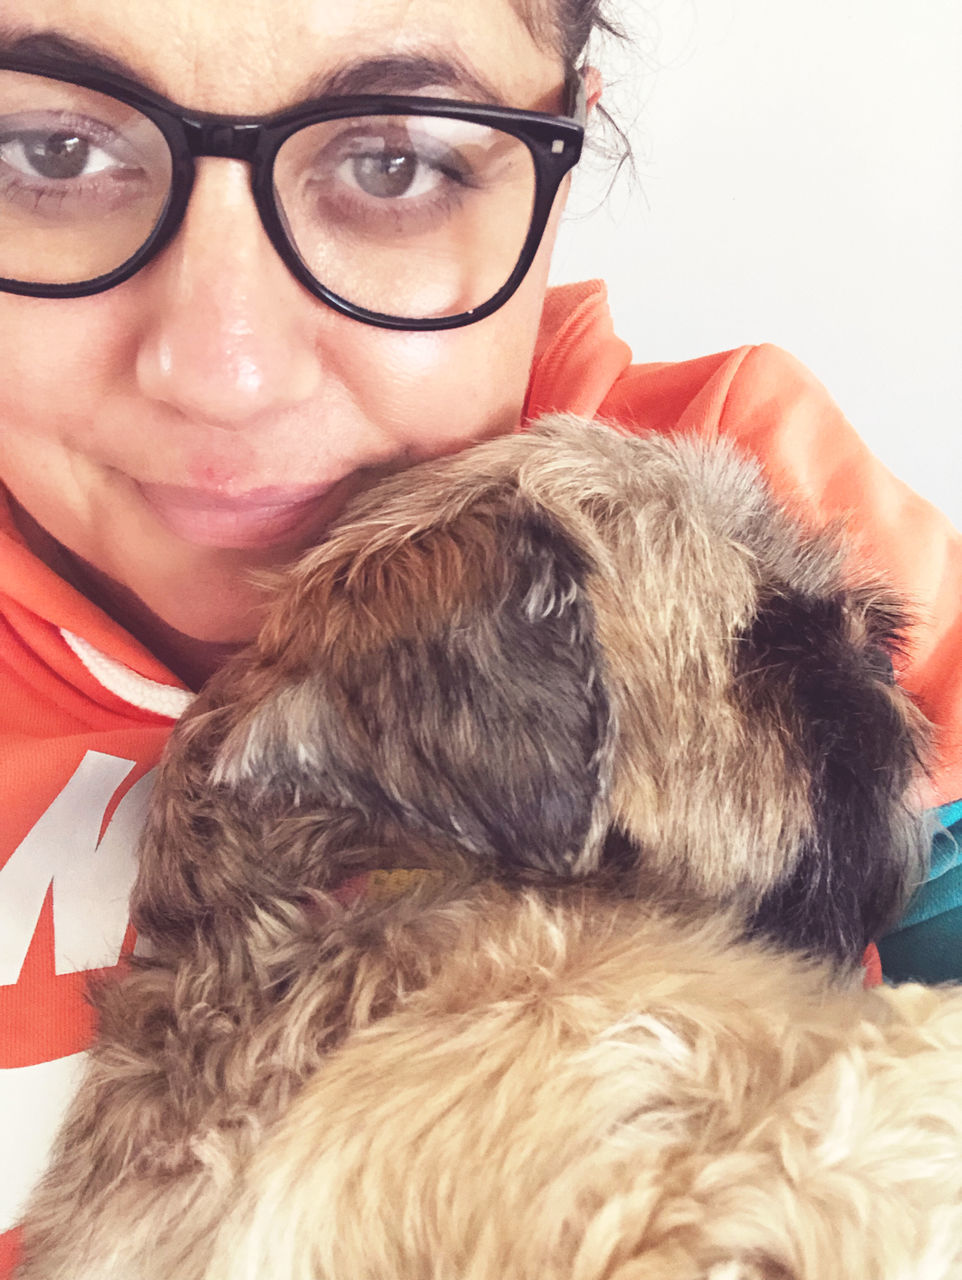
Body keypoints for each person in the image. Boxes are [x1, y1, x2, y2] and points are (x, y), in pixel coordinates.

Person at [1, 0, 960, 1271]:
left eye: (394, 161)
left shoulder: (734, 478)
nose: (223, 368)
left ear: (560, 157)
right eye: (50, 150)